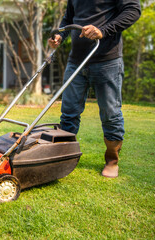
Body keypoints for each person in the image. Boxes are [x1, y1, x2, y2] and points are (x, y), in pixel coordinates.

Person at [48, 0, 141, 178]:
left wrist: (103, 31)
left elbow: (133, 10)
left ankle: (112, 160)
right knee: (68, 112)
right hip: (76, 61)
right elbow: (69, 18)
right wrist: (60, 35)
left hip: (107, 60)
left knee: (110, 114)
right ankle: (63, 157)